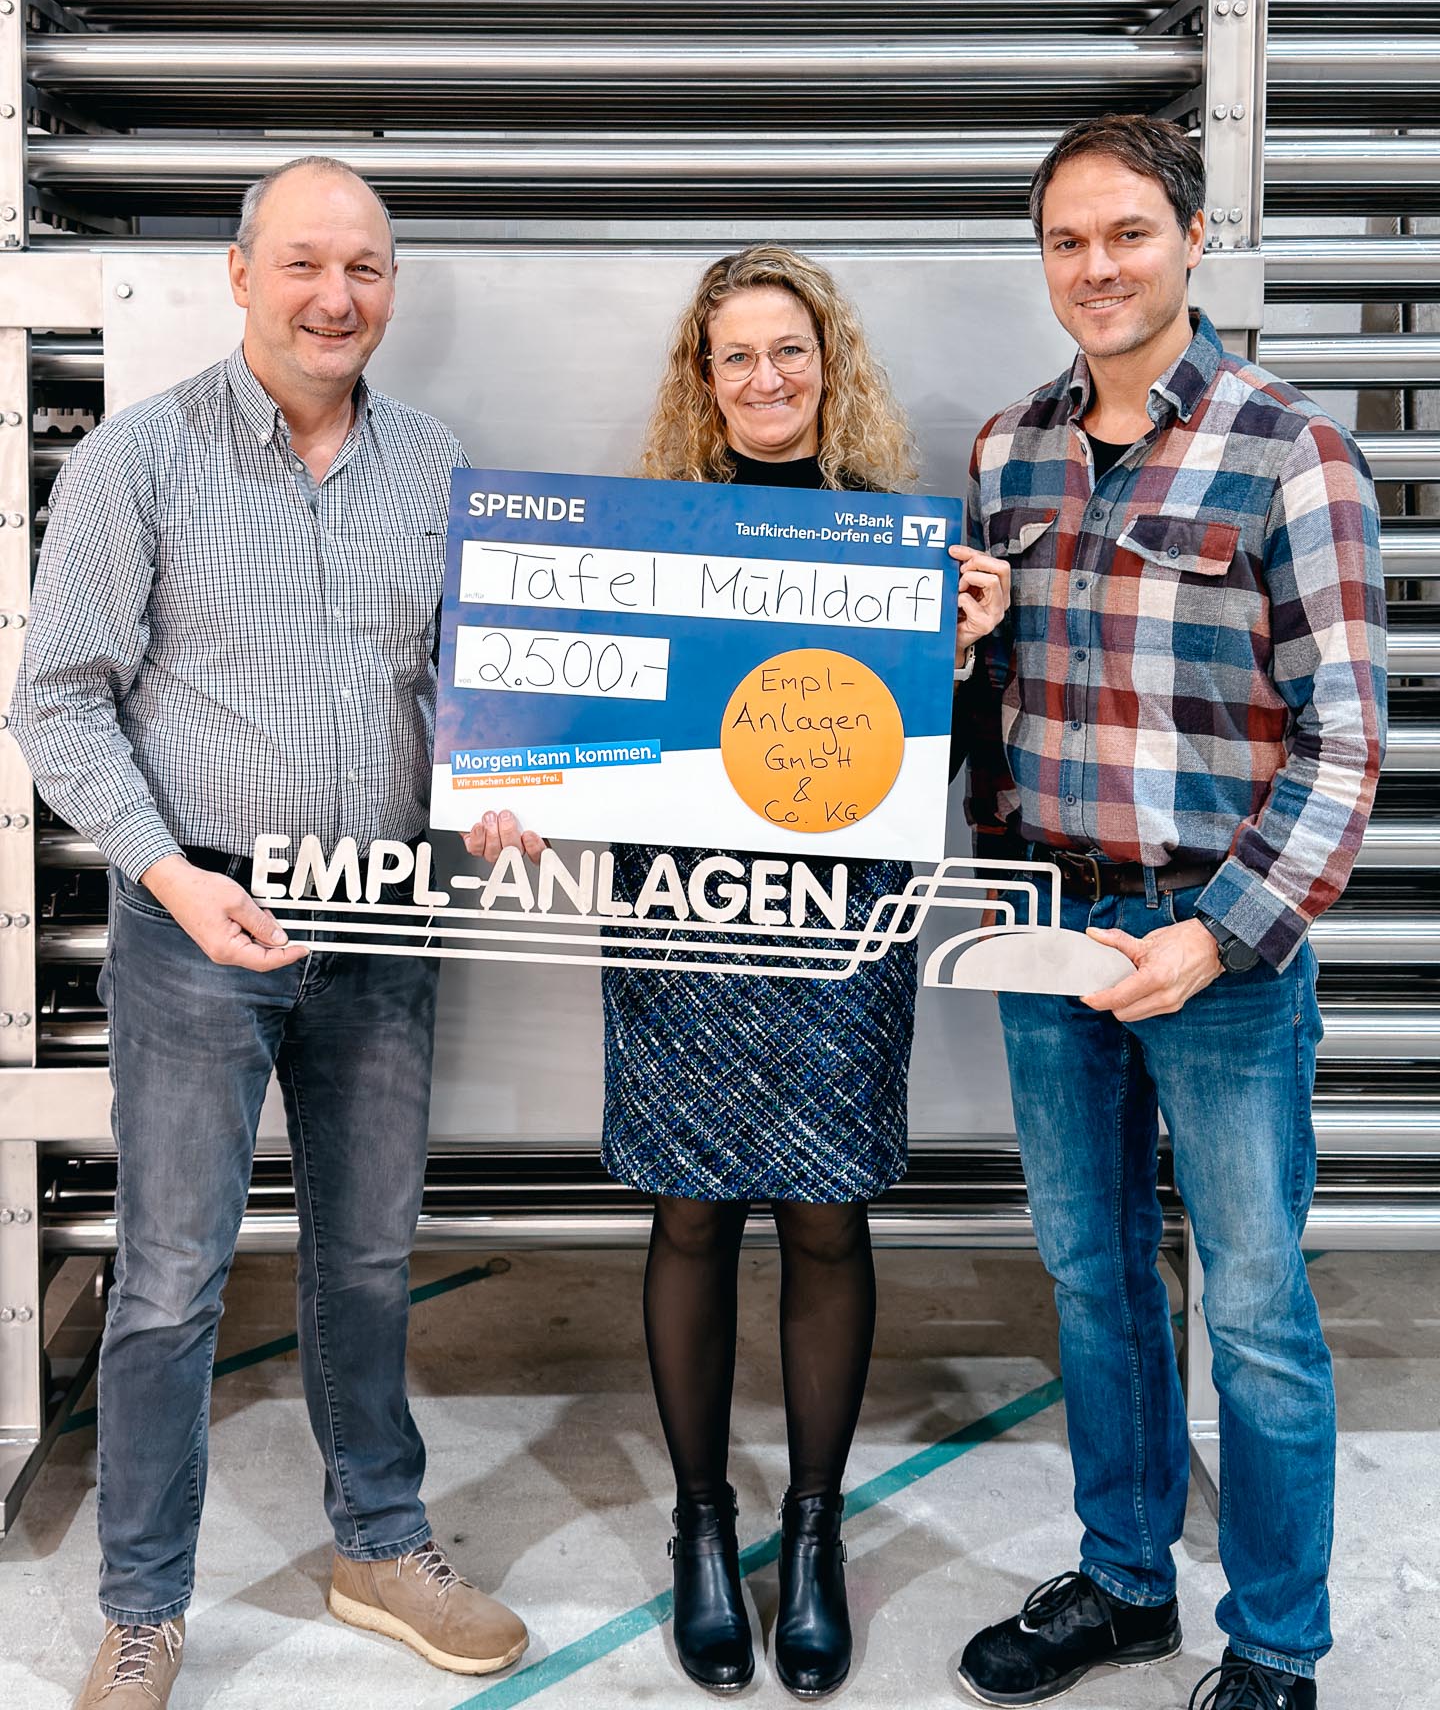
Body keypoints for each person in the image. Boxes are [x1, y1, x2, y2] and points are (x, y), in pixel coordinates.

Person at [11, 156, 529, 1710]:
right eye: (303, 263)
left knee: (367, 1254)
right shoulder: (137, 460)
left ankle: (381, 1544)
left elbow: (473, 687)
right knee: (172, 1277)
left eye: (363, 268)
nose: (334, 297)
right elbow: (58, 704)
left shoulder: (437, 466)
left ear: (392, 288)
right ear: (239, 275)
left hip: (383, 913)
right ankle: (142, 1607)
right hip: (197, 923)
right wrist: (172, 878)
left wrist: (505, 785)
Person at [471, 245, 1004, 1701]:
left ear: (829, 368)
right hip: (680, 918)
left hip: (840, 923)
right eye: (737, 358)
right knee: (690, 1213)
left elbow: (937, 774)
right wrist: (516, 788)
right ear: (702, 386)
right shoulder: (643, 542)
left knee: (830, 1218)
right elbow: (562, 731)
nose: (766, 378)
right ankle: (703, 1526)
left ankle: (813, 1532)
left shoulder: (900, 547)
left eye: (789, 352)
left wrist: (963, 658)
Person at [952, 116, 1386, 1710]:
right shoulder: (1007, 453)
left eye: (1127, 233)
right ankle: (1128, 1582)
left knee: (1254, 1306)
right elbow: (983, 710)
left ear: (1194, 238)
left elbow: (1347, 740)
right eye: (1066, 240)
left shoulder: (1293, 453)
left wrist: (1215, 935)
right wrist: (955, 649)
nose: (1096, 267)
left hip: (1221, 946)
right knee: (1091, 1274)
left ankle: (1275, 1644)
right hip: (1050, 925)